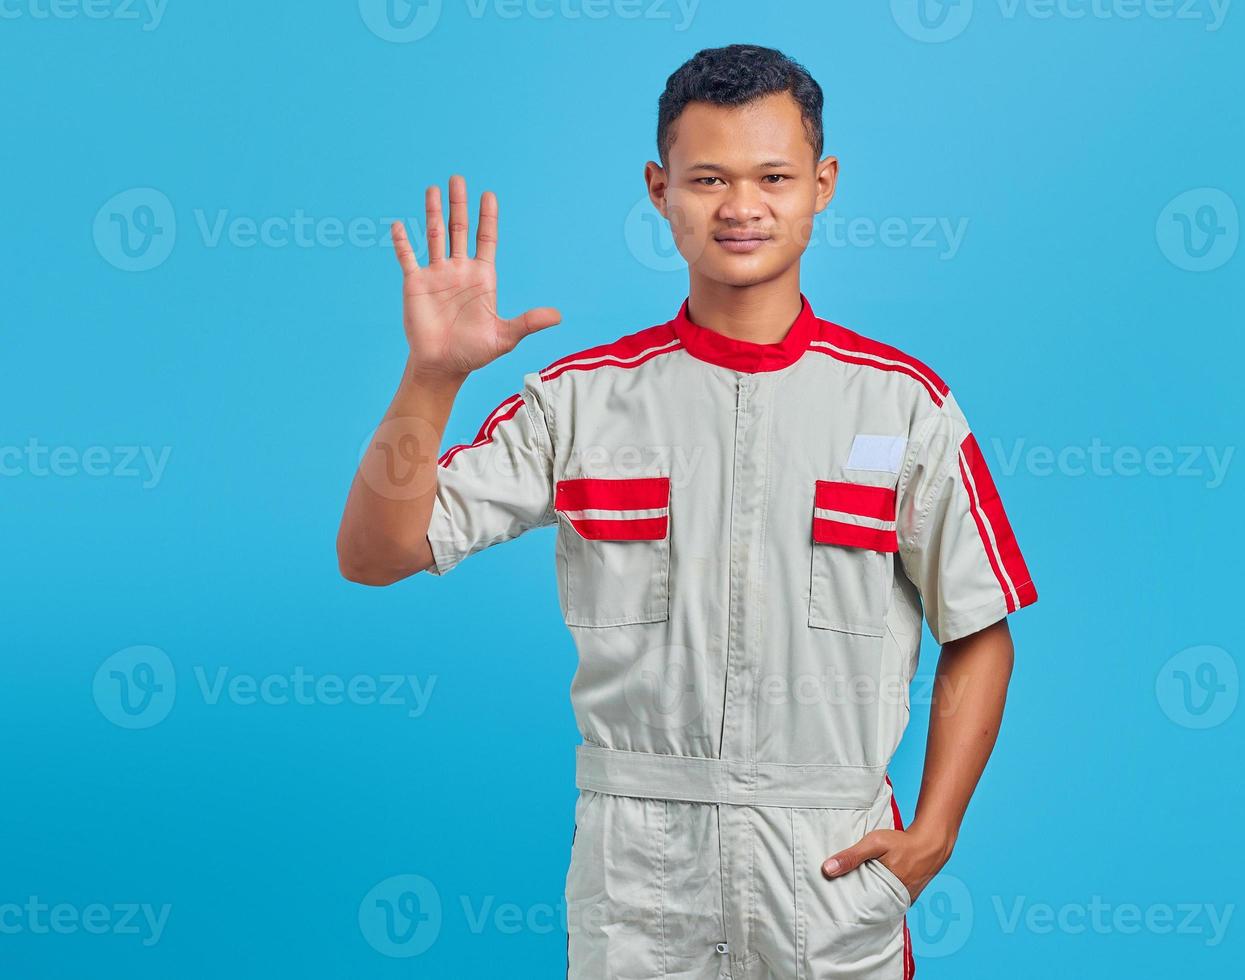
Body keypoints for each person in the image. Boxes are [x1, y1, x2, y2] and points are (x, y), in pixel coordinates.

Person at [337, 43, 1036, 980]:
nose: (741, 207)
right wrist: (433, 378)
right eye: (707, 178)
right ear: (659, 189)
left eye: (774, 176)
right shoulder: (579, 402)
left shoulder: (902, 405)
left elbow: (981, 627)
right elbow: (376, 553)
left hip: (830, 872)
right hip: (640, 881)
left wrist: (937, 829)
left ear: (822, 184)